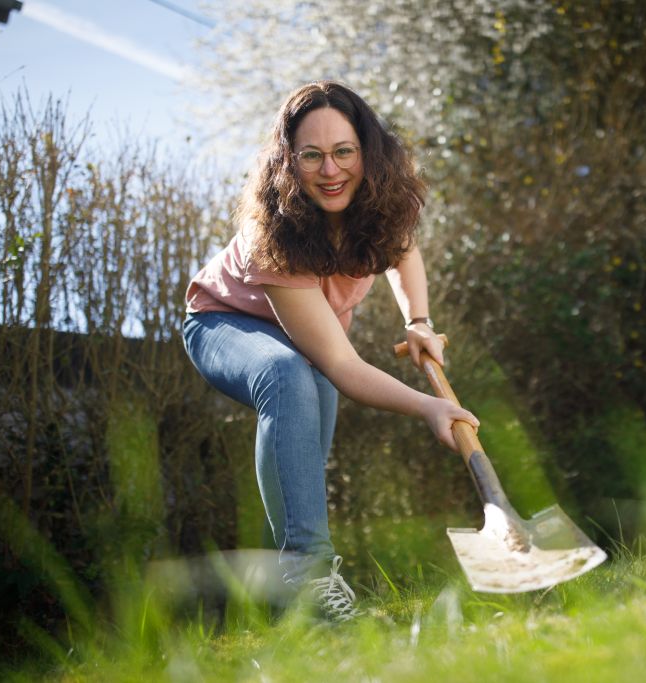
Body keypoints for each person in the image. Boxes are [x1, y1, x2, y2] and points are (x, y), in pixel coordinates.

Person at [181, 81, 479, 622]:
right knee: (285, 373)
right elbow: (342, 365)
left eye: (344, 152)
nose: (330, 170)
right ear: (288, 162)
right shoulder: (271, 231)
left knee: (305, 455)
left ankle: (305, 597)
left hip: (312, 335)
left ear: (366, 152)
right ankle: (309, 576)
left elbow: (402, 253)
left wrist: (418, 320)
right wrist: (429, 406)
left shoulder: (381, 201)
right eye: (311, 156)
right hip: (225, 322)